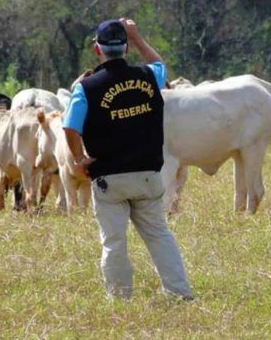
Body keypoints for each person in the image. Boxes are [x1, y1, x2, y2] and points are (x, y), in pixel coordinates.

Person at [62, 18, 193, 300]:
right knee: (159, 235)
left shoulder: (86, 88)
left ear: (97, 50)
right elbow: (161, 66)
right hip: (147, 174)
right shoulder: (148, 76)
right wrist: (138, 38)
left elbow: (70, 127)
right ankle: (180, 293)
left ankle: (120, 299)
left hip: (109, 178)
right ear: (126, 48)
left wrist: (78, 159)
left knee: (114, 242)